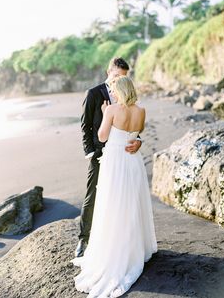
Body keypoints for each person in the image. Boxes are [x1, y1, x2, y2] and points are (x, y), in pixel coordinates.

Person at [70, 75, 158, 297]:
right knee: (132, 203)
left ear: (120, 90)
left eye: (115, 90)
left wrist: (105, 112)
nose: (113, 93)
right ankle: (135, 248)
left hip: (115, 161)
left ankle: (115, 250)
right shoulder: (141, 111)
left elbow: (101, 136)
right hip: (133, 162)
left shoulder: (111, 109)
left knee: (112, 204)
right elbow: (137, 134)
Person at [75, 58, 142, 257]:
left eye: (123, 77)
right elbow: (85, 125)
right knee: (92, 195)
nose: (118, 81)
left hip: (123, 154)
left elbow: (133, 124)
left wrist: (138, 141)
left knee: (121, 196)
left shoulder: (128, 95)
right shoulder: (94, 93)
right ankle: (84, 239)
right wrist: (90, 151)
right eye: (116, 76)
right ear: (108, 72)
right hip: (100, 154)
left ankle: (119, 240)